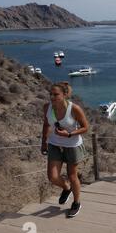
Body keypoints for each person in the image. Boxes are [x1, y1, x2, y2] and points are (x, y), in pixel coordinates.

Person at [41, 82, 89, 218]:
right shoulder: (47, 107)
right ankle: (67, 188)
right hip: (54, 144)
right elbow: (46, 124)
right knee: (52, 177)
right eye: (51, 94)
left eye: (56, 94)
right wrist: (43, 143)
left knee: (73, 176)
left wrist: (69, 134)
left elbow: (85, 127)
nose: (52, 97)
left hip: (72, 145)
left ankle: (76, 202)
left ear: (64, 95)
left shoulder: (74, 109)